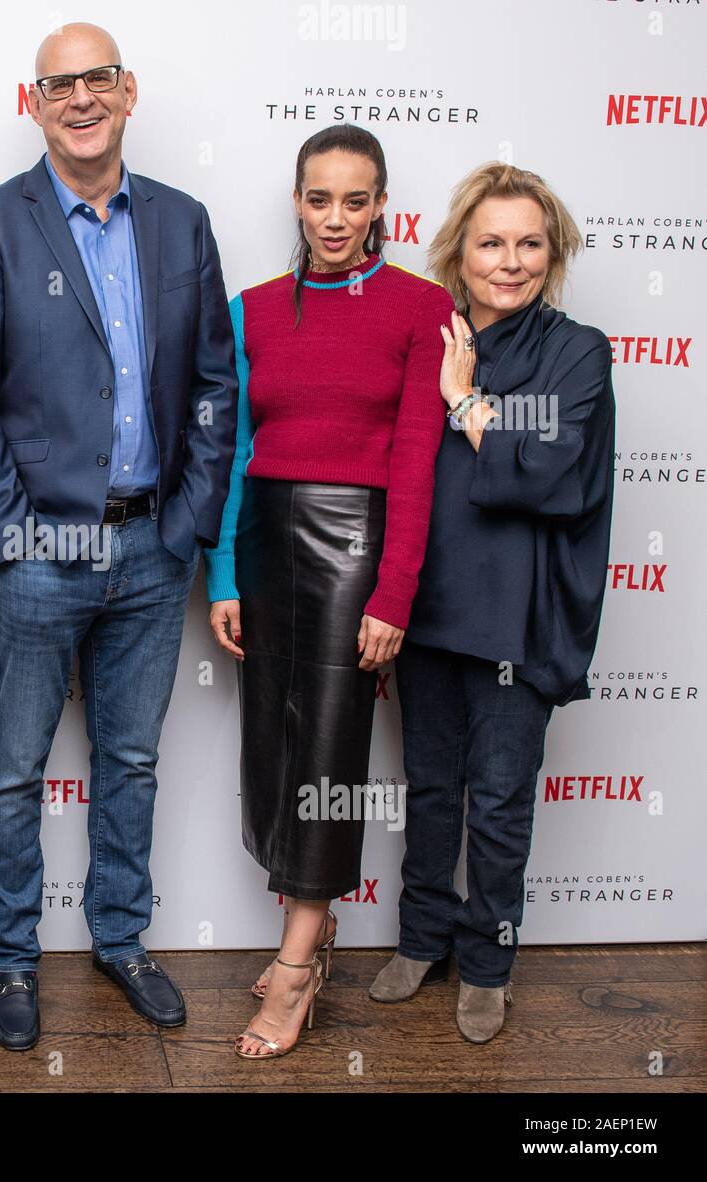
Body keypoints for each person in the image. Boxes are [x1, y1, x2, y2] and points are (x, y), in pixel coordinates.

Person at [0, 22, 236, 1051]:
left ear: (127, 89)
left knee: (132, 760)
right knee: (12, 766)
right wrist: (12, 536)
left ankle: (121, 939)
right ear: (33, 103)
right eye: (55, 84)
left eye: (94, 79)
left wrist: (189, 526)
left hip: (153, 547)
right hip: (41, 553)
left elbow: (212, 385)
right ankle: (11, 960)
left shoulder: (183, 224)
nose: (77, 98)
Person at [203, 124, 454, 1059]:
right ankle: (316, 928)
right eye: (319, 198)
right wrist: (223, 570)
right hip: (266, 542)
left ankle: (298, 964)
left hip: (359, 549)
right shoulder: (253, 309)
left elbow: (418, 463)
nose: (335, 218)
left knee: (331, 757)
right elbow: (232, 452)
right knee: (273, 749)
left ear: (382, 203)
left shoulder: (421, 308)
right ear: (297, 200)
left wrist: (394, 594)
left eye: (356, 200)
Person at [369, 163, 616, 1044]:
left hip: (518, 615)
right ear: (458, 252)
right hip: (428, 605)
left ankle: (488, 963)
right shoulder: (427, 332)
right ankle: (421, 938)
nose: (508, 262)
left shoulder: (576, 348)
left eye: (528, 244)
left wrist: (466, 402)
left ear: (552, 255)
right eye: (490, 243)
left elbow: (546, 472)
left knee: (501, 798)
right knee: (431, 787)